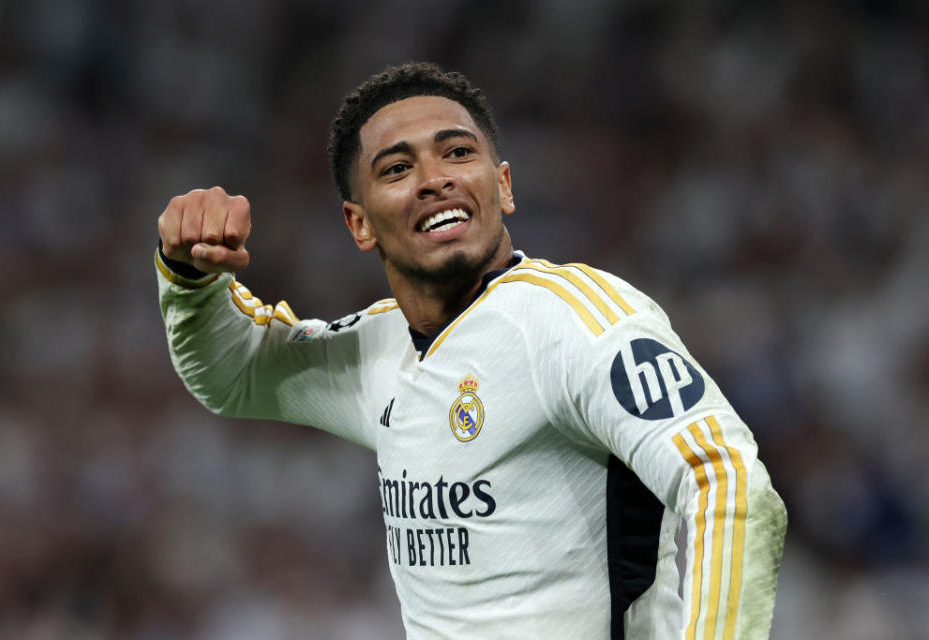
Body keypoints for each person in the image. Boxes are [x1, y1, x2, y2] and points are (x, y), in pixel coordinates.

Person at [155, 62, 786, 639]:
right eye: (397, 169)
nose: (435, 180)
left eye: (458, 153)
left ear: (503, 185)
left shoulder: (575, 321)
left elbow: (725, 481)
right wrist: (190, 279)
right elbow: (236, 371)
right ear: (360, 223)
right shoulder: (377, 350)